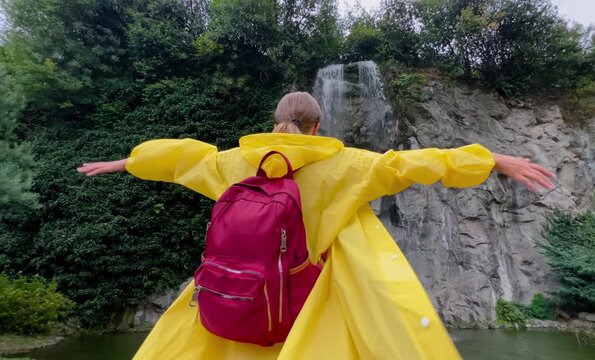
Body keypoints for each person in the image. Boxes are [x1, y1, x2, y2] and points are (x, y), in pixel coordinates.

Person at [78, 92, 555, 359]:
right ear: (316, 127)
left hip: (238, 301)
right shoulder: (345, 165)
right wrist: (492, 159)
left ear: (276, 122)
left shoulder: (231, 163)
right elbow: (413, 164)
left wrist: (125, 162)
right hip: (305, 299)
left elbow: (181, 159)